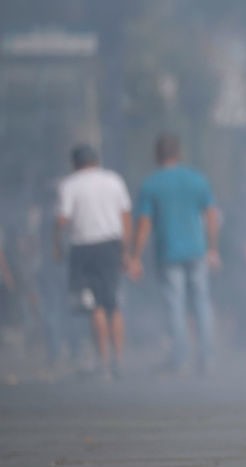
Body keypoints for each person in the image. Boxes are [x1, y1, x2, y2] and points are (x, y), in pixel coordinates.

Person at [128, 134, 220, 375]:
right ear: (178, 154)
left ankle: (181, 359)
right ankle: (207, 358)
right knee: (202, 303)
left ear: (157, 155)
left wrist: (135, 255)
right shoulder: (197, 180)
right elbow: (211, 215)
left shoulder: (151, 184)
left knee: (175, 306)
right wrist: (213, 248)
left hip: (169, 252)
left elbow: (144, 224)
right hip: (197, 250)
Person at [55, 145, 133, 379]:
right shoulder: (114, 180)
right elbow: (126, 215)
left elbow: (62, 220)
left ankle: (104, 361)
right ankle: (118, 359)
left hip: (83, 247)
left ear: (75, 163)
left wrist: (56, 246)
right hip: (111, 245)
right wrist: (126, 250)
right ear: (96, 161)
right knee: (113, 304)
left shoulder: (69, 184)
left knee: (95, 305)